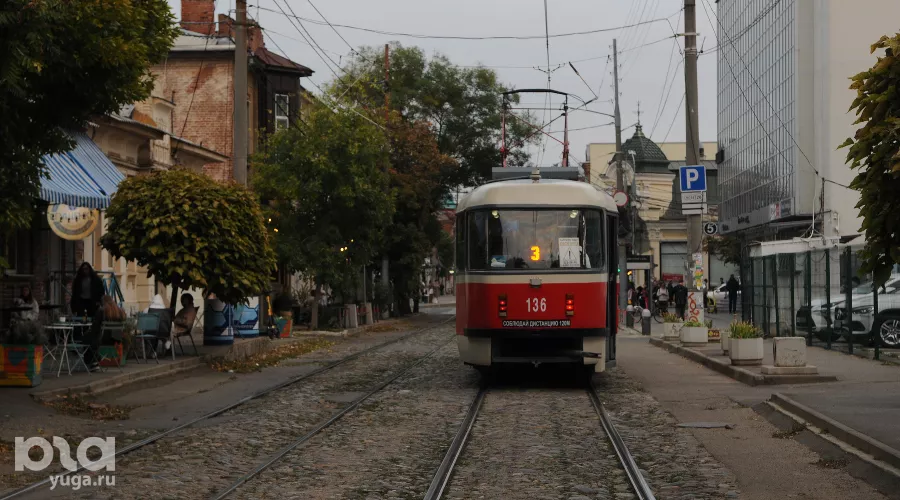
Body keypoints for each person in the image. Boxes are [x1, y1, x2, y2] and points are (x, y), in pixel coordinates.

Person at [83, 295, 125, 371]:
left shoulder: (102, 311)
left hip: (102, 340)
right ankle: (96, 360)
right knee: (91, 339)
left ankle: (93, 362)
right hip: (115, 340)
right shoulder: (120, 311)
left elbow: (95, 328)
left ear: (103, 302)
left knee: (85, 339)